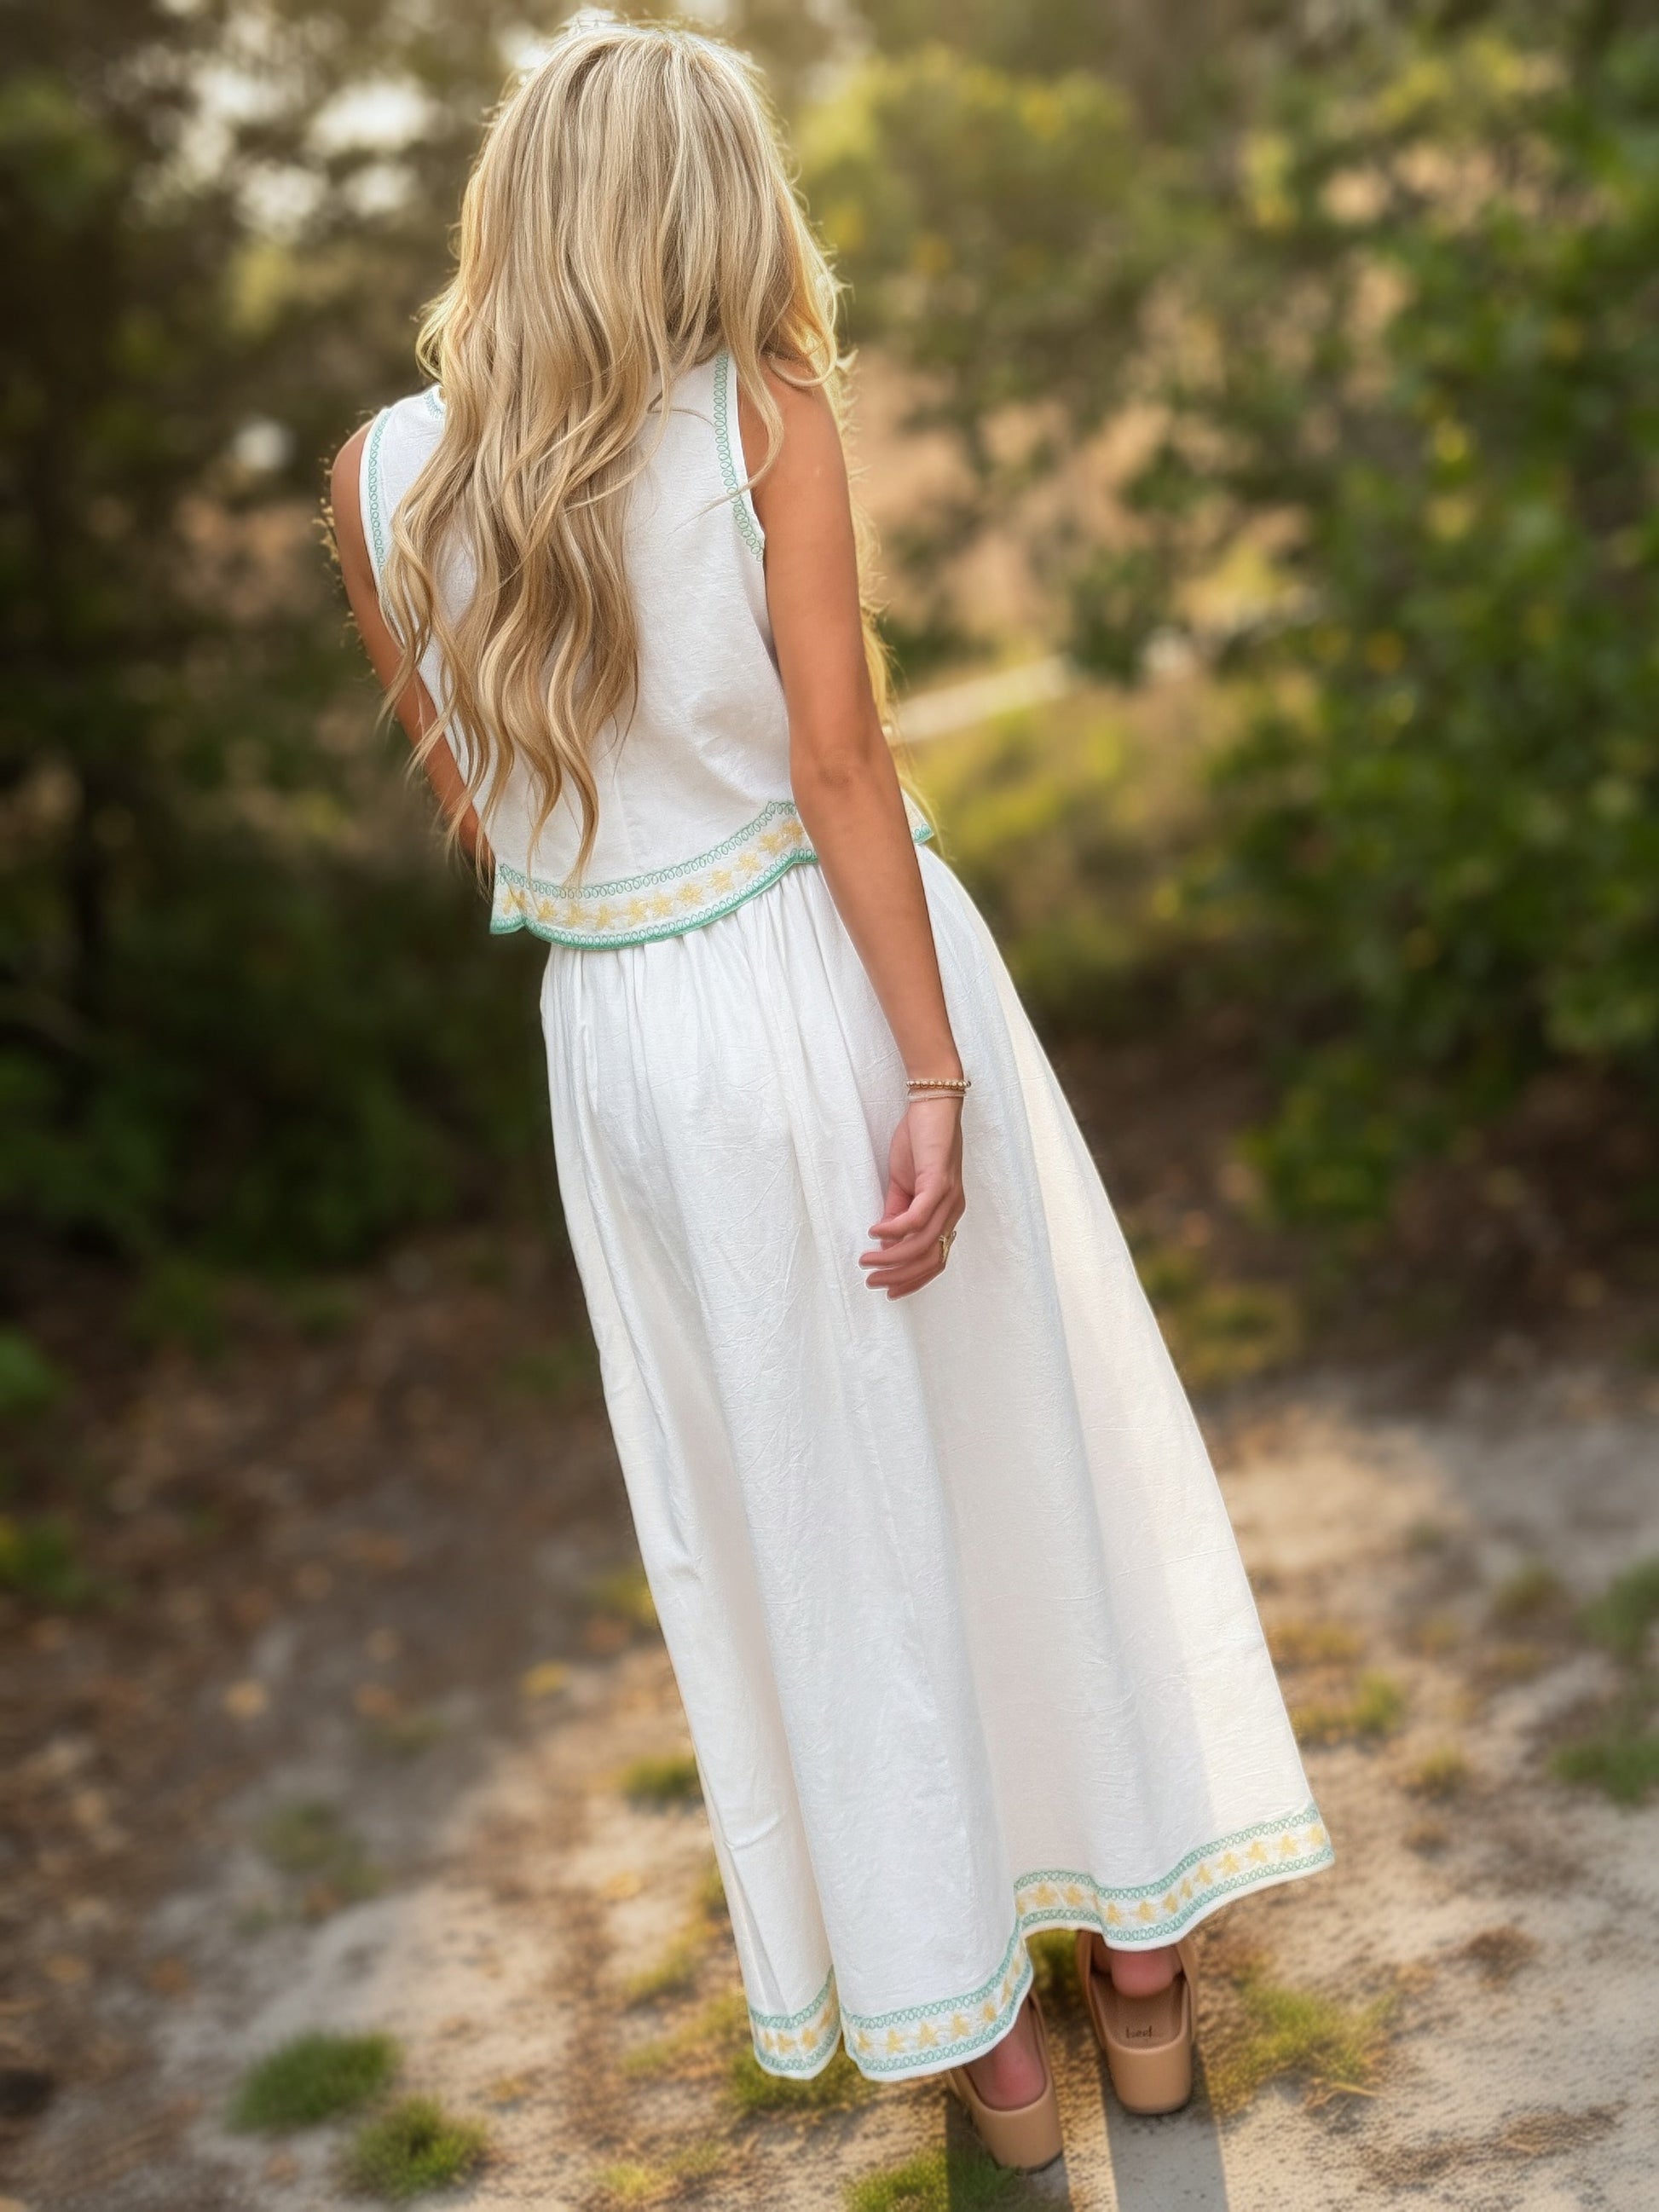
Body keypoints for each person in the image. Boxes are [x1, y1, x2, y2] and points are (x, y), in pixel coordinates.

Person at [331, 19, 1331, 2169]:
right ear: (709, 202)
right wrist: (938, 1070)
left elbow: (490, 822)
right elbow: (842, 760)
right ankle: (1141, 1992)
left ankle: (980, 2055)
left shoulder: (384, 474)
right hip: (837, 968)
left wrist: (631, 902)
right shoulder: (756, 416)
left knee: (809, 1524)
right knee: (1006, 1454)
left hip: (627, 1043)